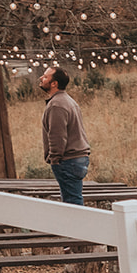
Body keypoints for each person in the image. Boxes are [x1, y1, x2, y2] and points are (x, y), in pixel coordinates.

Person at [39, 66, 90, 205]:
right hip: (77, 158)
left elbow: (57, 136)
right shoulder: (68, 100)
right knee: (73, 198)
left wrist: (55, 159)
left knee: (72, 202)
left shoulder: (57, 105)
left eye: (45, 77)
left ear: (54, 83)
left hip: (68, 160)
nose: (41, 78)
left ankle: (77, 220)